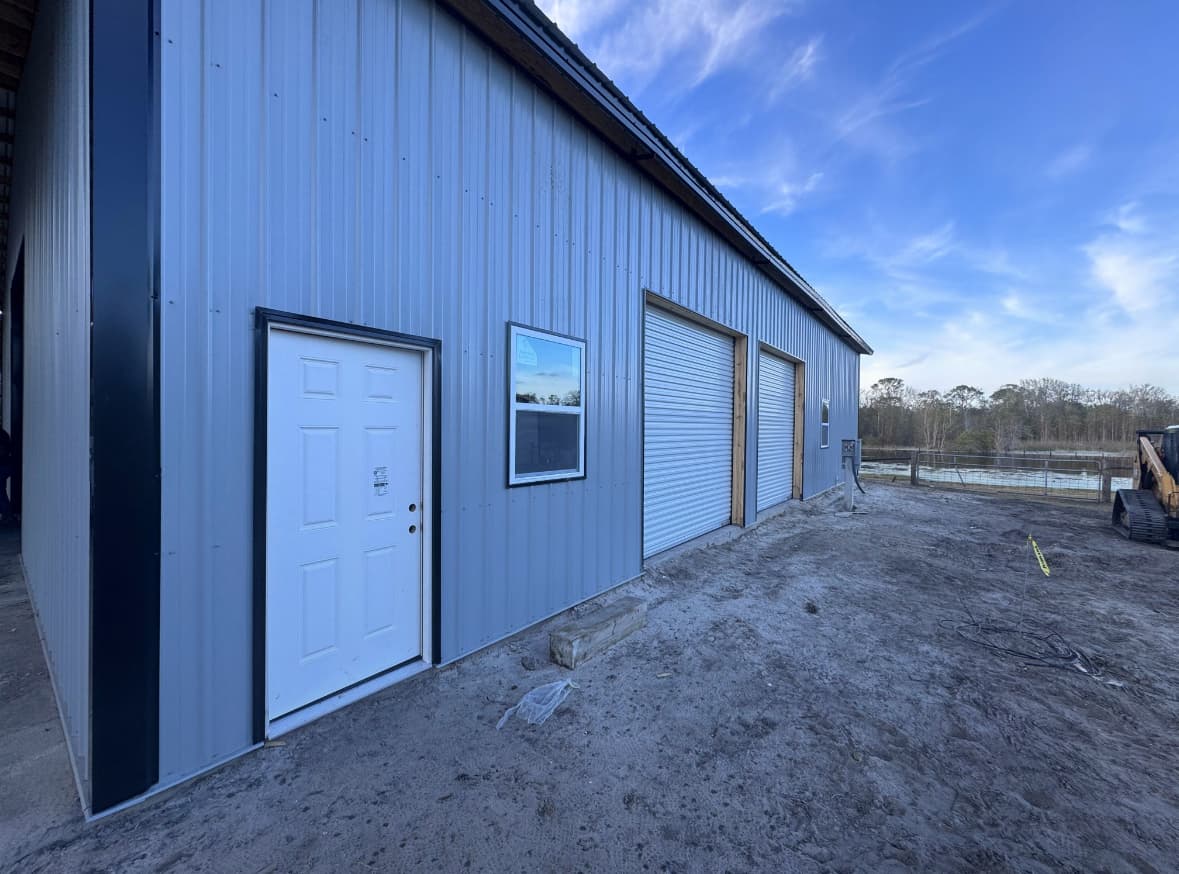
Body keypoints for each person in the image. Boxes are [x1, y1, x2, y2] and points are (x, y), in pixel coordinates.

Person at [0, 428, 13, 525]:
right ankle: (7, 515)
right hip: (5, 464)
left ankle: (7, 515)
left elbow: (3, 451)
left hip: (3, 465)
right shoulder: (3, 435)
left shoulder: (2, 436)